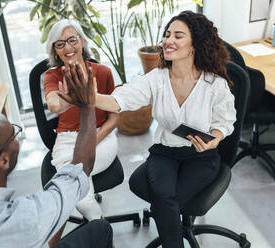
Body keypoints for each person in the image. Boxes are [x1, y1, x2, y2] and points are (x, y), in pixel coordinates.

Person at [59, 11, 236, 248]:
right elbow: (121, 99)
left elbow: (224, 122)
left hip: (200, 156)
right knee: (165, 198)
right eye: (167, 34)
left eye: (178, 36)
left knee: (165, 200)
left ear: (195, 44)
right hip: (165, 152)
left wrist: (214, 139)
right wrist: (91, 97)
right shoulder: (157, 79)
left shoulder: (214, 84)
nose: (168, 40)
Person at [0, 64, 113, 248]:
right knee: (100, 228)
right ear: (3, 160)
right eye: (13, 134)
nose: (16, 137)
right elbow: (82, 167)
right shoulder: (24, 219)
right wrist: (88, 106)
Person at [43, 20, 118, 225]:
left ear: (82, 42)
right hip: (67, 140)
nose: (68, 47)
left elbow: (114, 118)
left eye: (72, 40)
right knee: (79, 189)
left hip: (101, 135)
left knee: (74, 184)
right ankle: (101, 227)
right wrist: (71, 98)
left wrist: (92, 141)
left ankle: (99, 230)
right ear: (55, 51)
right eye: (60, 44)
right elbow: (53, 105)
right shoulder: (52, 76)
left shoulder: (102, 73)